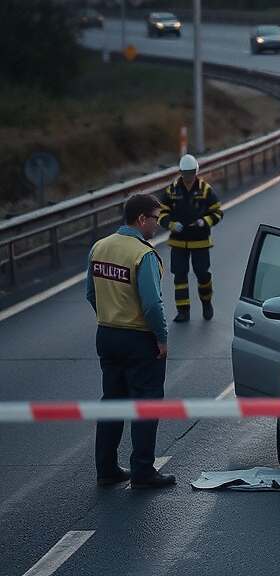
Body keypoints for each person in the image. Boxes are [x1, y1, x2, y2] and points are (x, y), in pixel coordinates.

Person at [86, 193, 176, 489]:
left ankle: (107, 469)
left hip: (107, 334)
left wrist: (111, 316)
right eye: (155, 218)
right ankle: (142, 471)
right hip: (139, 338)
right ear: (141, 219)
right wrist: (161, 338)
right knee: (146, 403)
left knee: (111, 402)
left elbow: (91, 293)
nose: (157, 224)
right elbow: (152, 304)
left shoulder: (100, 247)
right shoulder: (142, 254)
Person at [157, 154, 223, 323]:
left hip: (200, 241)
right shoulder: (172, 190)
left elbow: (217, 212)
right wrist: (170, 224)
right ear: (181, 172)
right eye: (185, 173)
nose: (188, 176)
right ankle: (183, 311)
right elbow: (161, 212)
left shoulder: (205, 189)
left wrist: (205, 221)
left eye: (191, 172)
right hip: (178, 242)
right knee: (179, 277)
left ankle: (207, 303)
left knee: (202, 274)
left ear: (196, 172)